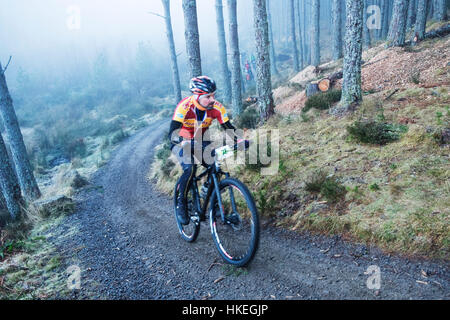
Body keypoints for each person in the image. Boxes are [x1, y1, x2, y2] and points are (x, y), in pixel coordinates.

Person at [168, 76, 248, 225]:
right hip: (180, 140)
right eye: (208, 96)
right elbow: (172, 133)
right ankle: (182, 203)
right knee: (190, 168)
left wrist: (240, 141)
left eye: (214, 95)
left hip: (200, 139)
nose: (212, 99)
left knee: (215, 164)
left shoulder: (217, 107)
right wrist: (182, 141)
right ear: (196, 96)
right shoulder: (184, 107)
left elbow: (228, 128)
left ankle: (211, 196)